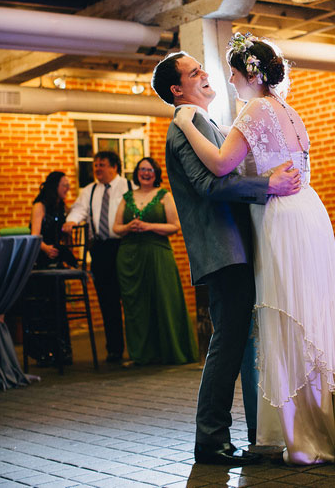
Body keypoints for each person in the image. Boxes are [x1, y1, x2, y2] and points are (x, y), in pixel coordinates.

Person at [174, 33, 335, 466]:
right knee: (315, 316)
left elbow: (218, 165)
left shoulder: (252, 110)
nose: (229, 82)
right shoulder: (289, 111)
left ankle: (305, 434)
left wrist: (183, 122)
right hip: (309, 211)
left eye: (233, 74)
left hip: (280, 218)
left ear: (249, 74)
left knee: (288, 319)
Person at [151, 51, 300, 466]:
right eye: (193, 71)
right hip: (222, 249)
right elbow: (208, 187)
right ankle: (211, 440)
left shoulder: (205, 122)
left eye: (202, 67)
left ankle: (250, 433)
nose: (204, 73)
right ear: (177, 89)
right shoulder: (187, 123)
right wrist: (266, 184)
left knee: (237, 342)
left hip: (235, 247)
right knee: (227, 344)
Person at [113, 156, 198, 366]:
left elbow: (175, 226)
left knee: (165, 301)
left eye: (150, 170)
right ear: (137, 173)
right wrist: (128, 227)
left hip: (158, 253)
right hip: (130, 256)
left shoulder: (164, 195)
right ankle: (140, 355)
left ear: (156, 173)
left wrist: (149, 227)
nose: (146, 173)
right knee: (136, 307)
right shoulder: (127, 197)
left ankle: (172, 352)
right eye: (142, 169)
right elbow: (115, 228)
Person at [63, 151, 129, 363]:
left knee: (129, 297)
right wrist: (71, 221)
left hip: (123, 246)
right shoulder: (89, 190)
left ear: (114, 167)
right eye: (95, 165)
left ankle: (139, 347)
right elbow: (79, 210)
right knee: (107, 299)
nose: (97, 168)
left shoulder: (127, 186)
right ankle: (114, 349)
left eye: (102, 165)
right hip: (100, 249)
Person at [29, 171, 78, 366]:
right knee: (45, 305)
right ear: (54, 186)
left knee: (59, 305)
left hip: (57, 259)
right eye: (64, 185)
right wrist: (46, 248)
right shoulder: (40, 206)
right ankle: (44, 350)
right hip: (42, 260)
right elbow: (35, 235)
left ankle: (61, 349)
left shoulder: (61, 208)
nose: (67, 189)